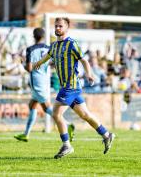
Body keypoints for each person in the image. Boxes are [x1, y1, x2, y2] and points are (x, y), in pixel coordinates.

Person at [33, 18, 115, 159]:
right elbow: (48, 56)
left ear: (67, 28)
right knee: (85, 115)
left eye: (60, 26)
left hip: (70, 86)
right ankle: (106, 134)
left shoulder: (71, 44)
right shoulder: (54, 46)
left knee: (56, 114)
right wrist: (38, 63)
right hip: (68, 87)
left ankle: (66, 145)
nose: (57, 28)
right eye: (56, 26)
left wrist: (89, 74)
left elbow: (84, 60)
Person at [14, 28, 75, 142]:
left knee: (47, 108)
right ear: (43, 36)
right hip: (45, 81)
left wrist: (22, 62)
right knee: (32, 105)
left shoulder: (30, 50)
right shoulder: (49, 48)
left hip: (37, 82)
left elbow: (29, 68)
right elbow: (54, 63)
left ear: (33, 36)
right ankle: (26, 134)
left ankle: (67, 124)